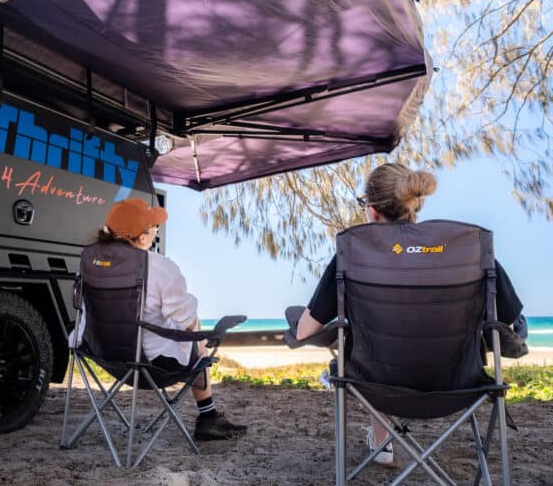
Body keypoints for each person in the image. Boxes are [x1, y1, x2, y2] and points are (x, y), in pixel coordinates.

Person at [295, 162, 524, 466]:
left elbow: (305, 332)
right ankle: (381, 436)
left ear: (373, 210)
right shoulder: (469, 252)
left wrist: (348, 334)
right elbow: (506, 325)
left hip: (378, 385)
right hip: (458, 384)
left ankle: (381, 441)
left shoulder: (351, 259)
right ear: (414, 206)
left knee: (361, 347)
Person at [71, 198, 247, 441]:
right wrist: (202, 335)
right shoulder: (160, 266)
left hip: (102, 356)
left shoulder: (89, 264)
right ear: (142, 237)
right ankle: (207, 416)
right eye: (153, 226)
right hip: (152, 366)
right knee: (196, 331)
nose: (156, 230)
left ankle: (209, 416)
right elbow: (186, 320)